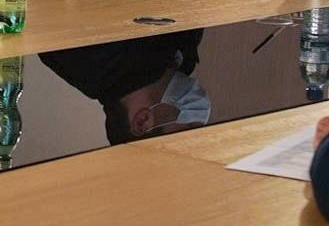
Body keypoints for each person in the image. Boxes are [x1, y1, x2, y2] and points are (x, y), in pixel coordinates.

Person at [40, 29, 210, 145]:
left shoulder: (81, 56)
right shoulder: (180, 58)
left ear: (142, 121)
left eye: (190, 128)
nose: (200, 115)